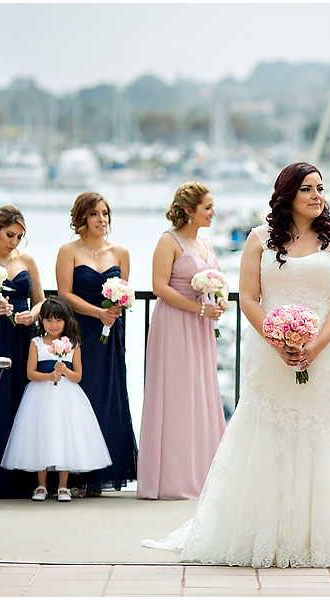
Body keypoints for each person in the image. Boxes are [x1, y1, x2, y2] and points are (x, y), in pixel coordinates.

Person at [143, 162, 330, 567]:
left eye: (321, 188)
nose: (317, 196)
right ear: (288, 195)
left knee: (323, 430)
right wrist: (278, 341)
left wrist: (314, 346)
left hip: (326, 352)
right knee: (269, 429)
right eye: (308, 190)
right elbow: (248, 298)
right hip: (270, 350)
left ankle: (323, 533)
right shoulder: (259, 240)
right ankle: (263, 530)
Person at [137, 182, 228, 500]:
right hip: (176, 323)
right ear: (189, 210)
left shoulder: (204, 241)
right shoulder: (168, 241)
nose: (213, 212)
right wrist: (199, 307)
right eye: (208, 207)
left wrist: (222, 298)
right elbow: (160, 287)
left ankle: (201, 473)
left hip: (201, 327)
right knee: (174, 395)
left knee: (200, 394)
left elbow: (219, 278)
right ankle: (170, 479)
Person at [56, 192, 137, 495]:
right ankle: (76, 475)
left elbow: (124, 293)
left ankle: (102, 474)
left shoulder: (121, 252)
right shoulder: (69, 251)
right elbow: (64, 293)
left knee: (108, 395)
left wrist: (115, 310)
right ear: (81, 218)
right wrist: (98, 312)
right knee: (81, 395)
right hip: (81, 331)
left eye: (105, 213)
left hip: (110, 333)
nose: (101, 219)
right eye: (94, 214)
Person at [0, 297, 112, 502]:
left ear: (66, 321)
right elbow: (30, 373)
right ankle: (41, 485)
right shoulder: (36, 343)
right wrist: (49, 377)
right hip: (39, 395)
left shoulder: (74, 344)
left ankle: (63, 485)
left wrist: (65, 371)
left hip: (67, 397)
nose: (53, 325)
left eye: (58, 320)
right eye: (49, 320)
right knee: (40, 435)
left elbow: (78, 377)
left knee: (65, 436)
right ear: (41, 320)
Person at [0, 205, 47, 499]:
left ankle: (26, 479)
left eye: (19, 236)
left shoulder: (27, 260)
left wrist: (33, 316)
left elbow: (40, 301)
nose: (14, 241)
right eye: (10, 235)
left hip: (23, 337)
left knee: (24, 401)